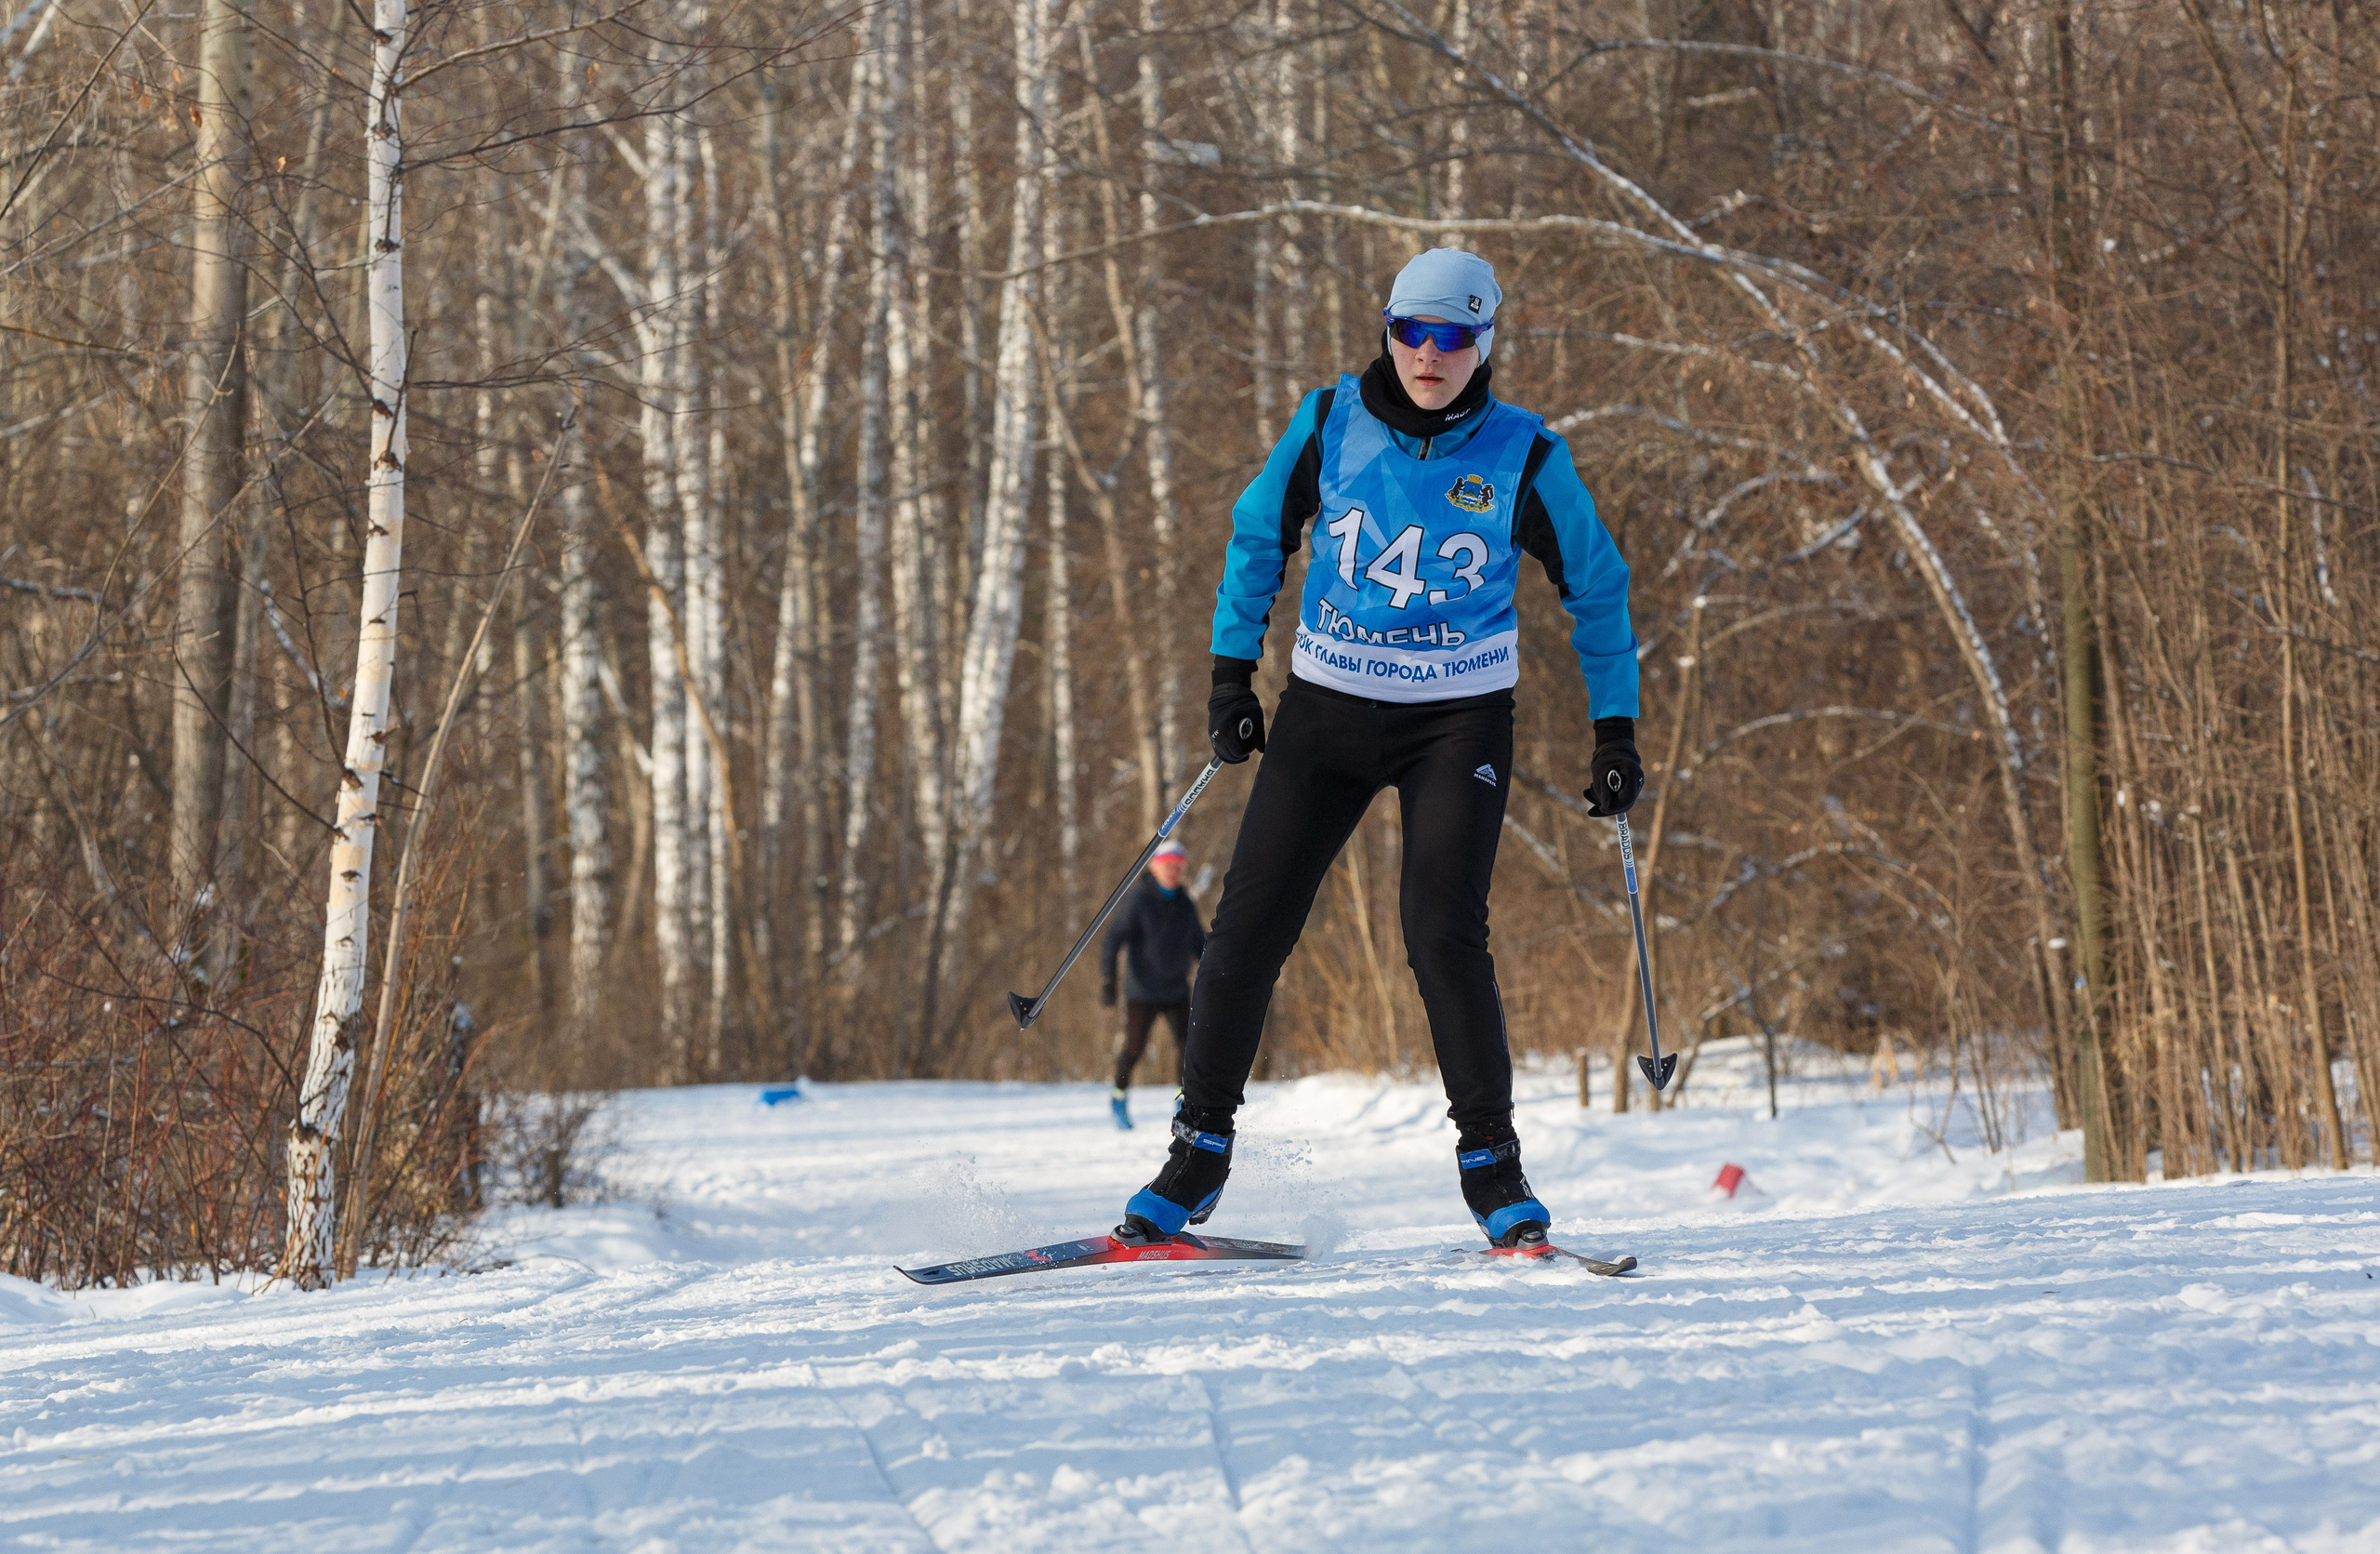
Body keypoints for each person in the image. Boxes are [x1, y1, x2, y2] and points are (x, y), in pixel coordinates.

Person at [1117, 248, 1643, 1251]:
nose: (1428, 354)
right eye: (1410, 331)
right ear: (1388, 332)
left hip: (1458, 719)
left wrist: (1614, 730)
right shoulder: (1329, 422)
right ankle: (1198, 1150)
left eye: (1452, 336)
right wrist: (1231, 675)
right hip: (1328, 708)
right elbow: (1257, 536)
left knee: (1440, 931)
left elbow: (1598, 586)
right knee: (1245, 930)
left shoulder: (1527, 456)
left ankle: (1493, 1166)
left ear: (1483, 342)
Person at [1098, 839, 1206, 1130]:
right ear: (1155, 869)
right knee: (1134, 1048)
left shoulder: (1185, 904)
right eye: (1168, 866)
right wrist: (1108, 980)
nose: (1173, 873)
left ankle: (1183, 1101)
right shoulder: (1139, 900)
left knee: (1188, 1046)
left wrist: (1220, 975)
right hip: (1142, 990)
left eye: (1178, 868)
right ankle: (1119, 1097)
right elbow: (1112, 939)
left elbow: (1200, 945)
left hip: (1176, 989)